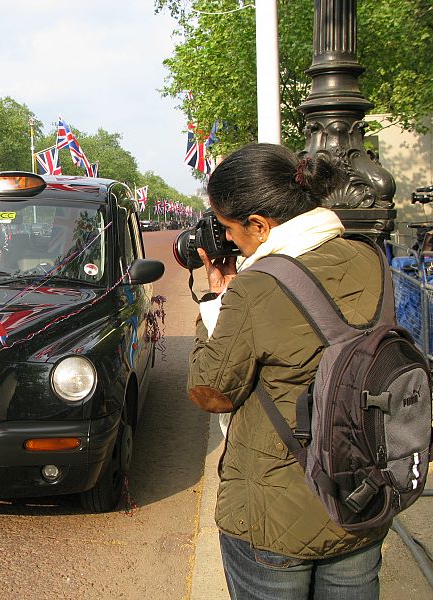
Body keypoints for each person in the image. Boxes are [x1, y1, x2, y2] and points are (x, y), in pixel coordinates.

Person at [187, 143, 388, 600]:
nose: (228, 241)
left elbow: (211, 393)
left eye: (228, 229)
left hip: (273, 513)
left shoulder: (258, 287)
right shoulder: (370, 257)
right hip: (363, 494)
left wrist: (216, 302)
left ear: (259, 225)